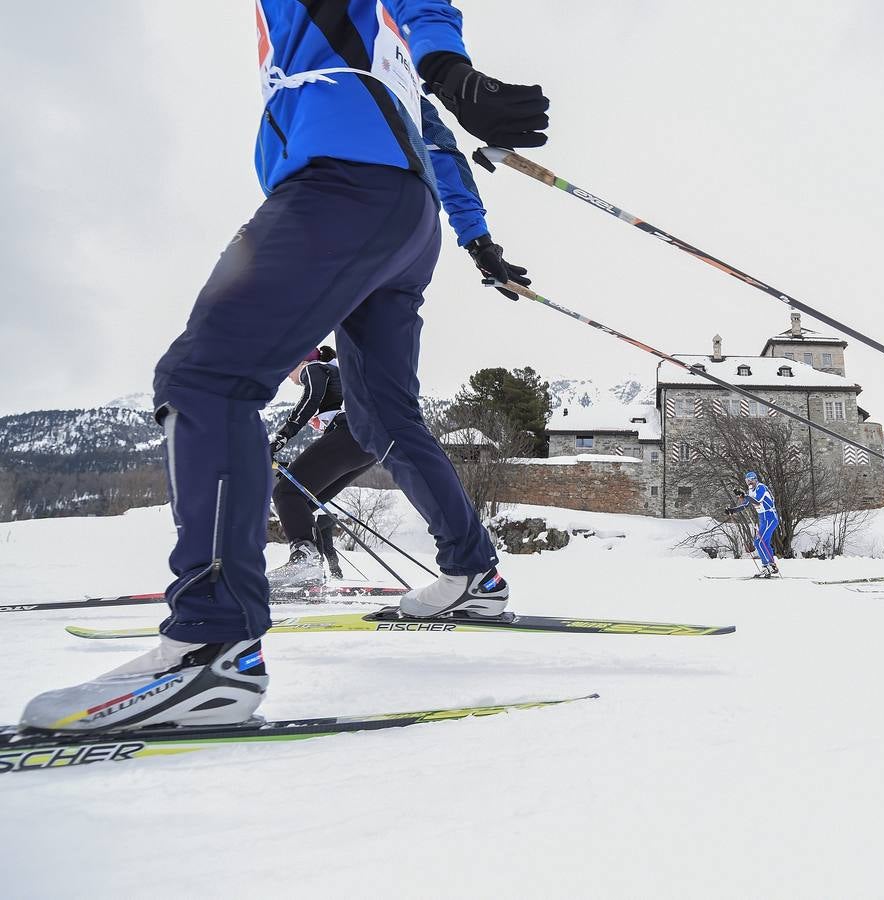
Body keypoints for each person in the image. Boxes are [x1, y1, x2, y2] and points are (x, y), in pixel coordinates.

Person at [22, 1, 548, 733]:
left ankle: (212, 645)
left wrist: (446, 64)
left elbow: (423, 14)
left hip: (341, 189)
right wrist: (476, 240)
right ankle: (473, 574)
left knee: (203, 378)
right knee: (383, 417)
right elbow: (435, 141)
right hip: (405, 217)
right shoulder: (370, 59)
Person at [268, 346, 377, 587]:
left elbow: (310, 399)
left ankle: (305, 564)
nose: (287, 376)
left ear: (301, 361)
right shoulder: (335, 372)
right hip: (367, 448)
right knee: (302, 501)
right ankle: (311, 574)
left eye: (288, 368)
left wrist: (280, 438)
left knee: (286, 494)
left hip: (350, 436)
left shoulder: (314, 368)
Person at [725, 471, 780, 577]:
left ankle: (766, 567)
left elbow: (757, 501)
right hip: (763, 519)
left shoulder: (761, 488)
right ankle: (772, 565)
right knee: (765, 543)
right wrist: (732, 510)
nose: (750, 482)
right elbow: (746, 504)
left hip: (770, 517)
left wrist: (744, 495)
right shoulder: (750, 491)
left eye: (752, 480)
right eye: (747, 480)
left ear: (756, 480)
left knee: (758, 542)